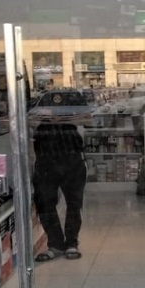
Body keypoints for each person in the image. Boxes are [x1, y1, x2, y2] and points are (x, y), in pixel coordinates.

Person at [29, 90, 92, 262]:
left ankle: (72, 243)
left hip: (71, 157)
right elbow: (27, 120)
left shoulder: (74, 97)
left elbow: (88, 119)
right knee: (44, 203)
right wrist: (44, 118)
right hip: (45, 159)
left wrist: (62, 118)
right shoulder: (41, 98)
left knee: (74, 203)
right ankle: (55, 244)